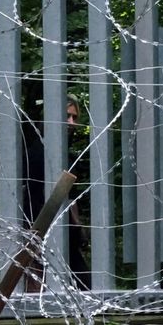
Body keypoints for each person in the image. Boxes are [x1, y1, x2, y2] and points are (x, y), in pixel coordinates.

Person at [64, 95, 91, 290]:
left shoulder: (69, 157)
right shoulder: (36, 153)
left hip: (67, 235)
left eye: (74, 117)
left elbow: (69, 197)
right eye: (67, 116)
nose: (72, 123)